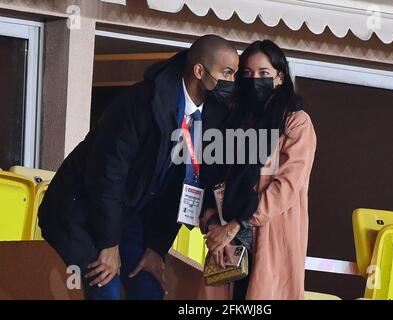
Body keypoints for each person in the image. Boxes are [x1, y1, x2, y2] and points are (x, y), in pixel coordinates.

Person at [38, 35, 239, 300]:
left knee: (149, 289)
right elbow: (107, 176)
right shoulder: (143, 102)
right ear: (199, 71)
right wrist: (109, 245)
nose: (232, 82)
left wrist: (157, 248)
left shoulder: (212, 117)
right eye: (227, 72)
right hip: (82, 205)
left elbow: (184, 186)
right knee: (104, 286)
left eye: (235, 74)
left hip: (130, 211)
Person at [200, 40, 317, 300]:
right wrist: (215, 228)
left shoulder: (296, 123)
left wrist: (235, 225)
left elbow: (284, 188)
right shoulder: (235, 120)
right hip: (227, 243)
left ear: (280, 77)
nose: (255, 80)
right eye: (248, 74)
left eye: (264, 74)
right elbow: (215, 178)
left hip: (270, 238)